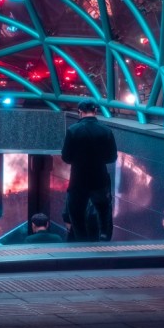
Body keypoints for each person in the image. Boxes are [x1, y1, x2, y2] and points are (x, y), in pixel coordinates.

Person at [61, 99, 118, 242]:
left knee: (76, 213)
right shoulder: (106, 131)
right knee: (104, 211)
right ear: (96, 111)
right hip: (100, 179)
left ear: (80, 112)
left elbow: (66, 157)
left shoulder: (73, 131)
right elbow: (112, 157)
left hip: (78, 180)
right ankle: (104, 239)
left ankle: (81, 244)